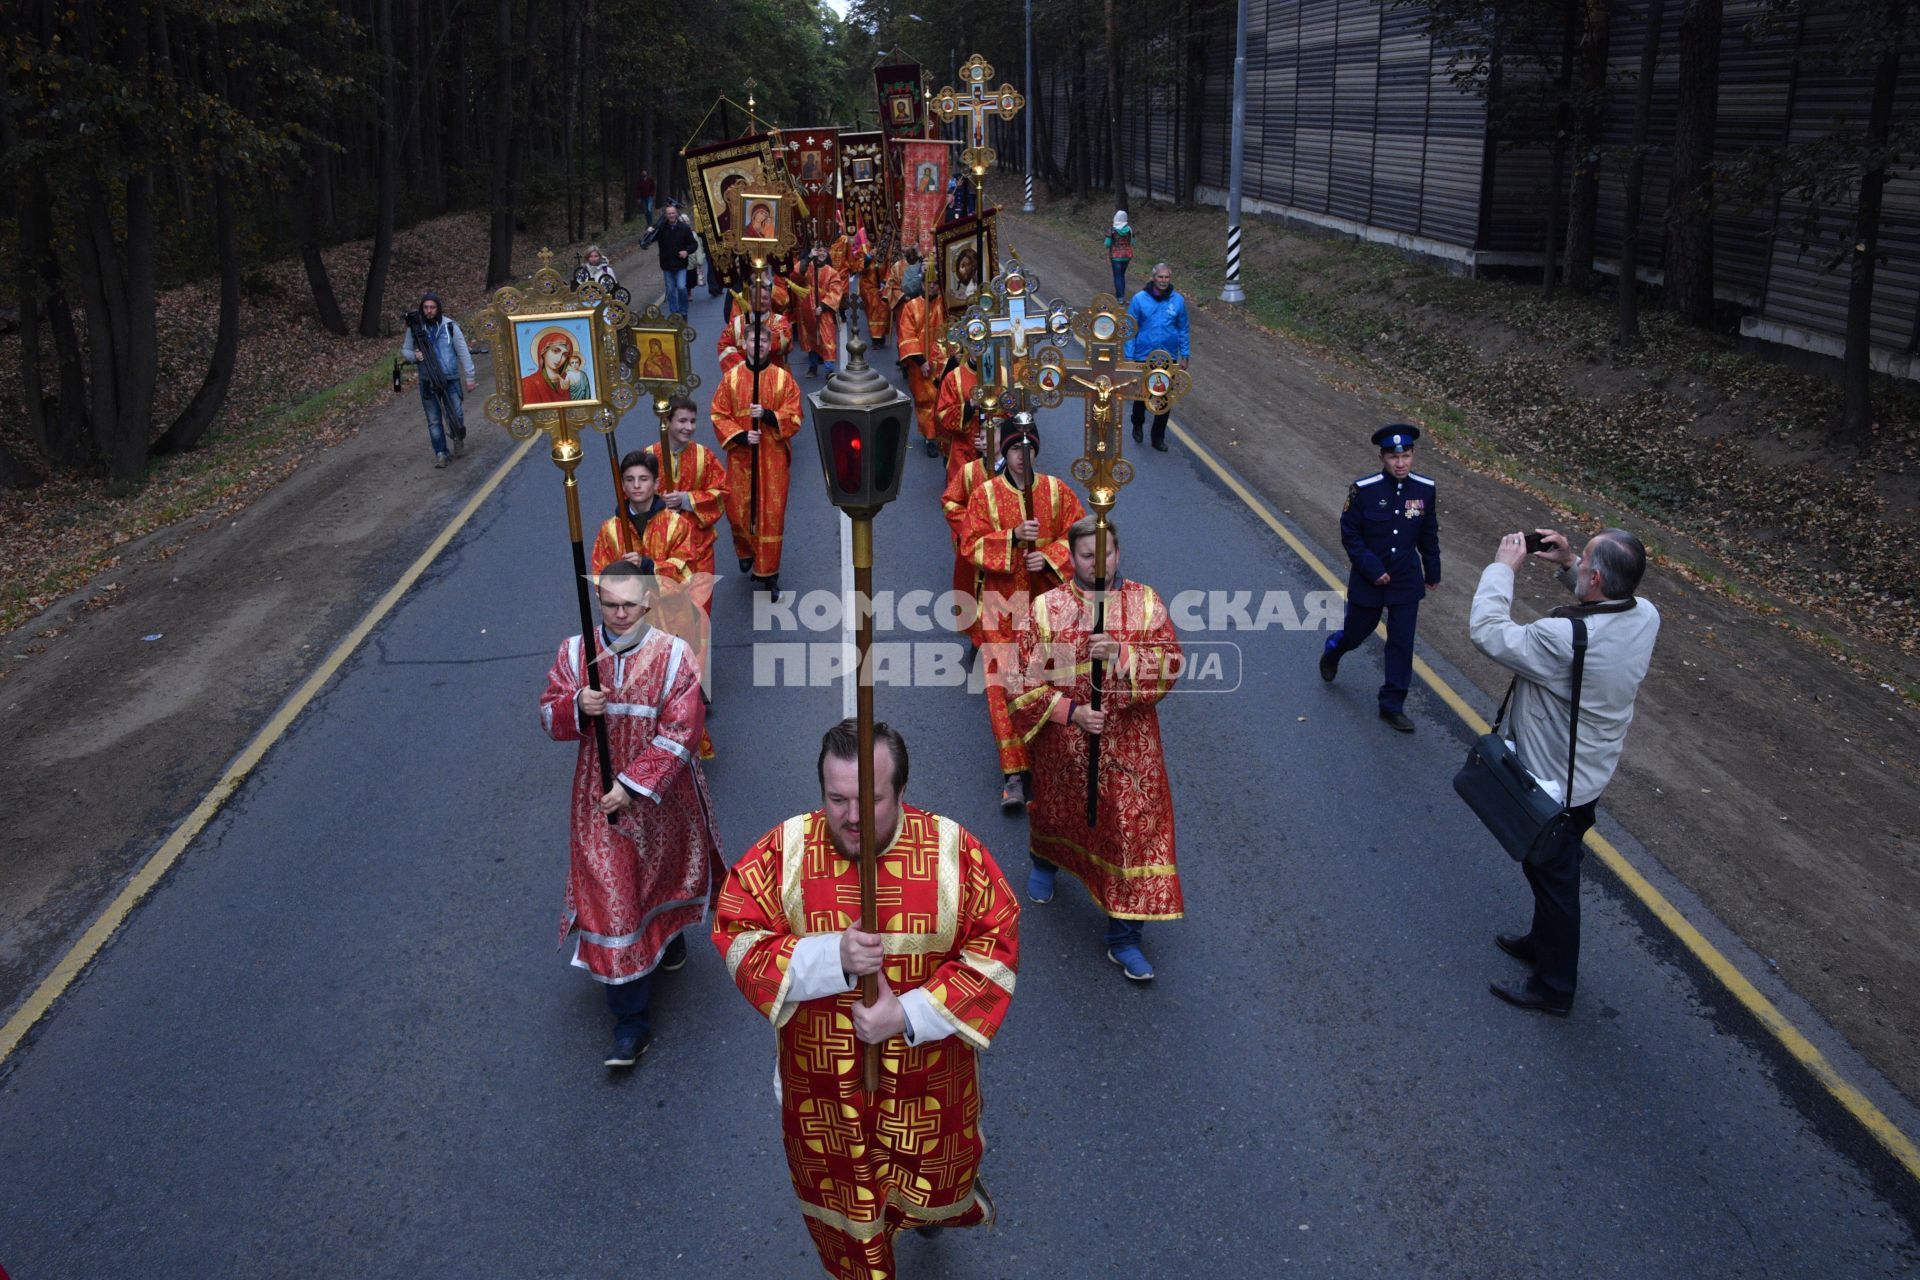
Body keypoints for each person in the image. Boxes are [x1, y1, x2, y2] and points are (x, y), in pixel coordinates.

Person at [712, 720, 1019, 1280]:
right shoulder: (787, 850)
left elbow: (994, 950)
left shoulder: (953, 852)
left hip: (927, 1087)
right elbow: (737, 932)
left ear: (901, 792)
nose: (851, 817)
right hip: (825, 1095)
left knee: (927, 1185)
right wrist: (833, 958)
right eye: (837, 800)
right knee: (852, 1231)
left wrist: (906, 1013)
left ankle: (924, 1214)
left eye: (870, 800)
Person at [538, 560, 722, 1067]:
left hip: (661, 798)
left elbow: (683, 731)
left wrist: (634, 785)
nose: (618, 614)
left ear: (647, 603)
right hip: (598, 803)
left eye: (628, 605)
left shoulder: (674, 655)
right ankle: (630, 1022)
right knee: (613, 899)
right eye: (609, 604)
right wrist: (576, 705)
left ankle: (667, 937)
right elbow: (547, 715)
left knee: (659, 880)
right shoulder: (575, 653)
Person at [1471, 528, 1660, 1016]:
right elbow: (1597, 607)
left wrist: (1503, 569)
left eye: (1585, 563)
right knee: (1550, 866)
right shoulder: (1645, 616)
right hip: (1588, 775)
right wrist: (1570, 562)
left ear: (1596, 578)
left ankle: (1554, 988)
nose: (1579, 567)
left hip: (1552, 781)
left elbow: (1489, 632)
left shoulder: (1558, 639)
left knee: (1555, 880)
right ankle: (1540, 942)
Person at [1011, 517, 1183, 980]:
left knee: (1132, 831)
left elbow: (1171, 663)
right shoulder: (1047, 610)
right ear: (1072, 558)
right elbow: (1019, 681)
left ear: (1118, 552)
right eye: (1088, 556)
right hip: (1065, 748)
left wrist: (1126, 657)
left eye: (1106, 553)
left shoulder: (1145, 604)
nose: (1099, 564)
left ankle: (1124, 937)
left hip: (1131, 749)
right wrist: (1069, 712)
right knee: (1057, 813)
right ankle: (1044, 861)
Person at [961, 415, 1086, 810]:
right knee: (1003, 688)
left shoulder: (1057, 491)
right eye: (1016, 448)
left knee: (1052, 680)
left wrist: (1049, 557)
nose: (1022, 456)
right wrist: (1013, 539)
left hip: (1050, 606)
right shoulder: (985, 495)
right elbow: (970, 546)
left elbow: (1082, 537)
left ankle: (1051, 763)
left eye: (1029, 448)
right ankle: (1013, 774)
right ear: (1005, 450)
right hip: (1001, 605)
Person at [1319, 424, 1441, 733]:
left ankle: (1392, 705)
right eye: (1393, 457)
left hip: (1405, 580)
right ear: (1382, 457)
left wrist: (1433, 570)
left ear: (1413, 456)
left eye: (1406, 456)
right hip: (1368, 578)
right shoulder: (1365, 489)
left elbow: (1428, 533)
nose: (1400, 463)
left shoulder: (1425, 489)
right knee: (1357, 632)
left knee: (1401, 643)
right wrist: (1373, 569)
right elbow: (1350, 535)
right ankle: (1334, 649)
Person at [710, 326, 803, 598]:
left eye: (764, 340)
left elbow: (795, 416)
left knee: (771, 515)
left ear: (769, 345)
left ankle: (769, 573)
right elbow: (718, 415)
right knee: (739, 512)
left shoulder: (783, 379)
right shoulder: (731, 380)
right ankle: (746, 549)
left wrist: (769, 415)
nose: (759, 344)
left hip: (772, 456)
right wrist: (740, 435)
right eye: (754, 339)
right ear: (745, 344)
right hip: (741, 458)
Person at [646, 394, 730, 603]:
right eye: (682, 421)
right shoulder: (648, 456)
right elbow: (633, 498)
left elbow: (723, 492)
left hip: (698, 547)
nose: (689, 427)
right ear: (666, 421)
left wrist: (687, 499)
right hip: (661, 548)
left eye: (692, 421)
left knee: (698, 610)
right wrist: (658, 504)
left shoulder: (705, 455)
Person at [397, 290, 476, 469]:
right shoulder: (415, 329)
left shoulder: (450, 327)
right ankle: (441, 453)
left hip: (450, 379)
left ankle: (458, 438)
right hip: (427, 381)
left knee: (455, 413)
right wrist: (414, 356)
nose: (429, 311)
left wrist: (470, 376)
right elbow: (406, 350)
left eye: (432, 307)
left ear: (438, 308)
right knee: (433, 420)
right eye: (425, 307)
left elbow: (463, 351)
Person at [940, 413, 997, 649]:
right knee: (975, 591)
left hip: (1007, 549)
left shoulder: (1019, 476)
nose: (984, 441)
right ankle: (978, 638)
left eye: (991, 437)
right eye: (982, 436)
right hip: (976, 546)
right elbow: (950, 502)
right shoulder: (970, 472)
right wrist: (974, 527)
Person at [1123, 263, 1190, 452]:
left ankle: (1157, 437)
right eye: (1160, 277)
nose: (1163, 281)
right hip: (1143, 356)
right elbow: (1130, 328)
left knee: (1164, 397)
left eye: (1166, 277)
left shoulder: (1178, 301)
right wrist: (1129, 356)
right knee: (1142, 396)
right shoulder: (1139, 299)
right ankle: (1137, 423)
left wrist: (1185, 354)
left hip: (1168, 358)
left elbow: (1183, 328)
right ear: (1153, 278)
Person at [893, 254, 942, 457]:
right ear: (922, 283)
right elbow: (907, 336)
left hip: (942, 362)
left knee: (944, 398)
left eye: (935, 284)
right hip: (920, 363)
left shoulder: (944, 305)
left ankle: (944, 435)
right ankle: (930, 437)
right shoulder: (911, 307)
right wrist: (920, 361)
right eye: (928, 283)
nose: (931, 287)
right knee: (926, 400)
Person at [716, 278, 794, 379]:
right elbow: (723, 346)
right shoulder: (737, 323)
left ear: (770, 301)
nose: (760, 301)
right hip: (744, 379)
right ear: (750, 300)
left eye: (765, 298)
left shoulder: (779, 321)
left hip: (775, 378)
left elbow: (783, 344)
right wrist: (743, 367)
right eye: (756, 298)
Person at [640, 200, 698, 317]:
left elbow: (693, 244)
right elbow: (649, 240)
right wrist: (648, 232)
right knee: (671, 291)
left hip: (681, 264)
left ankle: (683, 312)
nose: (671, 215)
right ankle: (674, 314)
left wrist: (686, 252)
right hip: (667, 265)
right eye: (669, 213)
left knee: (681, 287)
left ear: (676, 214)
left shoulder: (684, 228)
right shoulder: (661, 228)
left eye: (673, 213)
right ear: (666, 215)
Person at [803, 242, 845, 379]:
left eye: (824, 251)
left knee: (828, 338)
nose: (821, 253)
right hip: (809, 309)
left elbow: (835, 292)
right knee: (812, 338)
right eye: (819, 251)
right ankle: (813, 366)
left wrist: (822, 306)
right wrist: (809, 257)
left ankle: (829, 370)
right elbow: (796, 274)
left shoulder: (832, 272)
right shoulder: (808, 268)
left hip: (825, 311)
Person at [519, 329, 581, 407]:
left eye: (565, 354)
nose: (559, 358)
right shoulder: (528, 385)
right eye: (555, 351)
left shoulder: (571, 379)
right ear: (543, 352)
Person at [1103, 210, 1135, 298]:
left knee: (1118, 276)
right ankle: (1121, 295)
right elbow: (1133, 242)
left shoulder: (1112, 230)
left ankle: (1120, 297)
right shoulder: (1130, 229)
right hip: (1127, 256)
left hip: (1115, 256)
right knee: (1122, 275)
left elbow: (1107, 244)